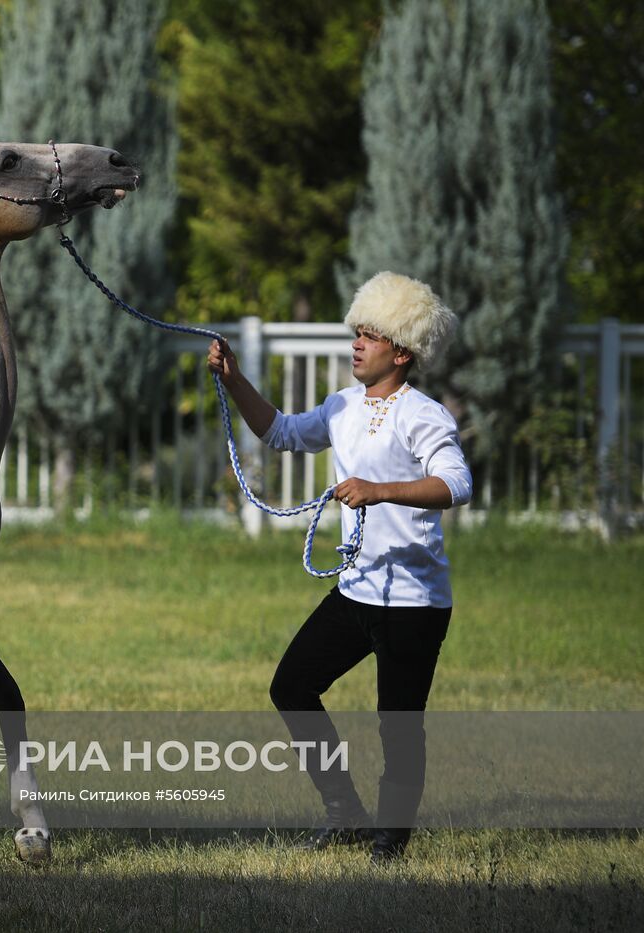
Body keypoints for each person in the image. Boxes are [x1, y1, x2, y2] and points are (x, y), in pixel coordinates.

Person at [206, 271, 472, 865]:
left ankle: (390, 841)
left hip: (414, 602)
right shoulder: (343, 405)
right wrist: (234, 378)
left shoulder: (423, 415)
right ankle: (345, 813)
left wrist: (380, 490)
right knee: (292, 686)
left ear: (401, 352)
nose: (356, 344)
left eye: (370, 336)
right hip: (356, 591)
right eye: (357, 333)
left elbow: (456, 484)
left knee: (398, 724)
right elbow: (278, 431)